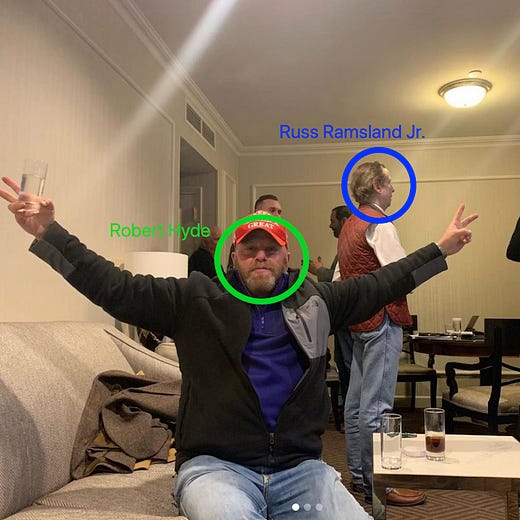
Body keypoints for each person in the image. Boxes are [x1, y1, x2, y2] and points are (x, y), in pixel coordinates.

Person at [1, 175, 477, 520]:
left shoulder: (318, 300)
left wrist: (441, 249)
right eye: (250, 249)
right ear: (234, 255)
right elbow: (115, 287)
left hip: (300, 470)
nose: (260, 256)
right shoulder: (195, 299)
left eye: (270, 248)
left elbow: (383, 282)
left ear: (287, 254)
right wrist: (50, 233)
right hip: (216, 469)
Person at [338, 161, 430, 506]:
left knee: (355, 406)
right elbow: (399, 274)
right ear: (377, 185)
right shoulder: (380, 222)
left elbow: (340, 280)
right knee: (376, 409)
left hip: (359, 323)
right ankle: (380, 487)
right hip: (383, 320)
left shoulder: (349, 225)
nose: (393, 190)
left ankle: (359, 478)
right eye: (389, 184)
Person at [309, 205, 354, 409]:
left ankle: (351, 412)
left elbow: (341, 281)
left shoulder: (351, 245)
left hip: (349, 319)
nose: (330, 225)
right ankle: (348, 412)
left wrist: (319, 271)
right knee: (344, 364)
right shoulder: (345, 244)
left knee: (349, 366)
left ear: (344, 221)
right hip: (343, 319)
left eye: (332, 221)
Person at [226, 194, 282, 272]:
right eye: (272, 210)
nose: (277, 216)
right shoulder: (241, 240)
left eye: (279, 212)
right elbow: (233, 272)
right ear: (257, 212)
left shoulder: (281, 240)